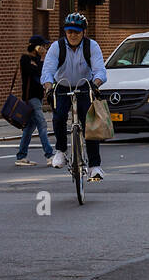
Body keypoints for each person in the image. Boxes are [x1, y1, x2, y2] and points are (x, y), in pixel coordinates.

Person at [41, 12, 109, 181]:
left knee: (90, 125)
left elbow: (100, 70)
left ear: (83, 32)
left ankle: (95, 166)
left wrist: (96, 84)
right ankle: (61, 151)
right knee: (59, 117)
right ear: (65, 31)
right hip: (62, 86)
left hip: (85, 86)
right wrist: (49, 88)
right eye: (69, 31)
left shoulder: (91, 46)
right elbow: (47, 71)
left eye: (77, 32)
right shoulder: (57, 47)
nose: (73, 35)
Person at [15, 35, 55, 166]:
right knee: (42, 125)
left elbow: (44, 72)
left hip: (37, 97)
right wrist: (41, 60)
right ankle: (49, 155)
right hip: (30, 98)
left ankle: (21, 156)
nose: (44, 49)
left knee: (29, 128)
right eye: (42, 46)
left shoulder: (37, 60)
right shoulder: (25, 59)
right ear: (36, 47)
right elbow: (37, 71)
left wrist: (40, 60)